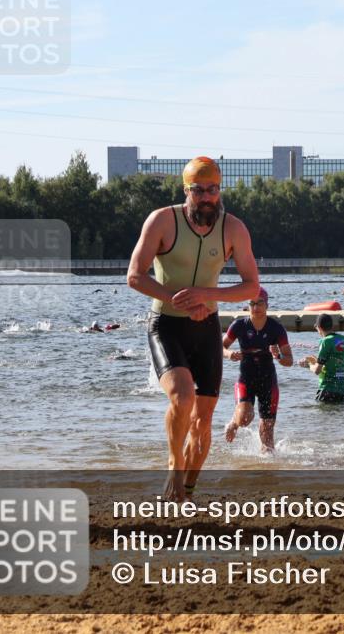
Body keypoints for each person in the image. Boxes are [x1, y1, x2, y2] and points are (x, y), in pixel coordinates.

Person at [127, 155, 261, 501]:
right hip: (167, 325)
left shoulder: (233, 229)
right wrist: (180, 299)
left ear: (220, 191)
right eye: (198, 190)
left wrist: (206, 295)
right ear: (186, 190)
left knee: (203, 421)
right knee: (182, 397)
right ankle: (174, 467)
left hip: (207, 328)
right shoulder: (162, 220)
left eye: (212, 190)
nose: (206, 197)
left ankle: (185, 492)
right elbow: (135, 276)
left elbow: (252, 287)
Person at [222, 287, 293, 452]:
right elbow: (221, 346)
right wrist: (229, 354)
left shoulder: (276, 328)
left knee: (267, 434)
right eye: (252, 304)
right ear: (248, 306)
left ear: (267, 305)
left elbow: (289, 360)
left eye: (260, 303)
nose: (256, 307)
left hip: (268, 380)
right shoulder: (239, 325)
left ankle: (267, 465)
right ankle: (234, 423)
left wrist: (278, 356)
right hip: (246, 379)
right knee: (244, 418)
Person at [303, 314, 344, 403]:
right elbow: (337, 361)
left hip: (328, 390)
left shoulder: (325, 341)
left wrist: (308, 365)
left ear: (319, 327)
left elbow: (317, 371)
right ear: (332, 326)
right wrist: (316, 360)